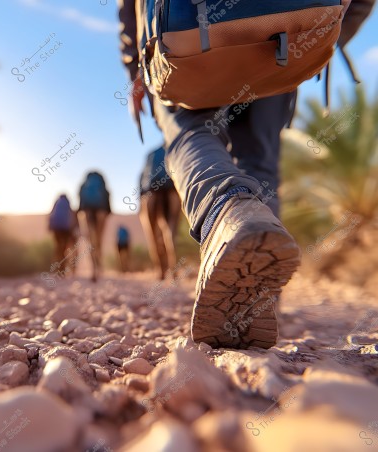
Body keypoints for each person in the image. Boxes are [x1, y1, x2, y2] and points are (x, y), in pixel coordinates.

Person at [118, 0, 375, 349]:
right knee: (260, 163)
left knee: (190, 135)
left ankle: (226, 212)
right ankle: (259, 302)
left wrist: (135, 67)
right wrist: (327, 34)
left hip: (184, 39)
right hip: (280, 41)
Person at [139, 146, 181, 280]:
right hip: (173, 190)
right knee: (171, 231)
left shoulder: (150, 155)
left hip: (150, 193)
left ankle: (160, 271)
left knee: (152, 234)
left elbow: (141, 179)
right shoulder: (174, 150)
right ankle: (174, 269)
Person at [78, 171, 111, 282]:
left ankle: (93, 269)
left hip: (87, 212)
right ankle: (99, 266)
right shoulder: (102, 185)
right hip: (101, 211)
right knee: (99, 241)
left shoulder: (84, 185)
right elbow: (107, 197)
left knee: (91, 241)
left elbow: (80, 202)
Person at [48, 194, 77, 278]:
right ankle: (62, 270)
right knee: (64, 248)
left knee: (58, 248)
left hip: (56, 229)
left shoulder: (57, 202)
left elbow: (51, 215)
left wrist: (50, 226)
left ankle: (56, 269)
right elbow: (71, 217)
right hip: (65, 229)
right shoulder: (67, 203)